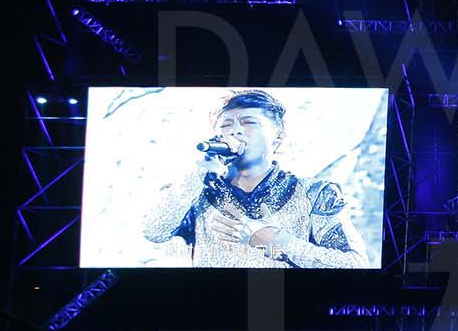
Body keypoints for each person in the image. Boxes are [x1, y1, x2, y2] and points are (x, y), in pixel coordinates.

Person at [141, 89, 367, 268]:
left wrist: (279, 242)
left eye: (249, 123)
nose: (235, 131)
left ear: (277, 138)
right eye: (226, 125)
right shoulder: (194, 190)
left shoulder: (315, 193)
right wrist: (199, 173)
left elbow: (355, 265)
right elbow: (154, 231)